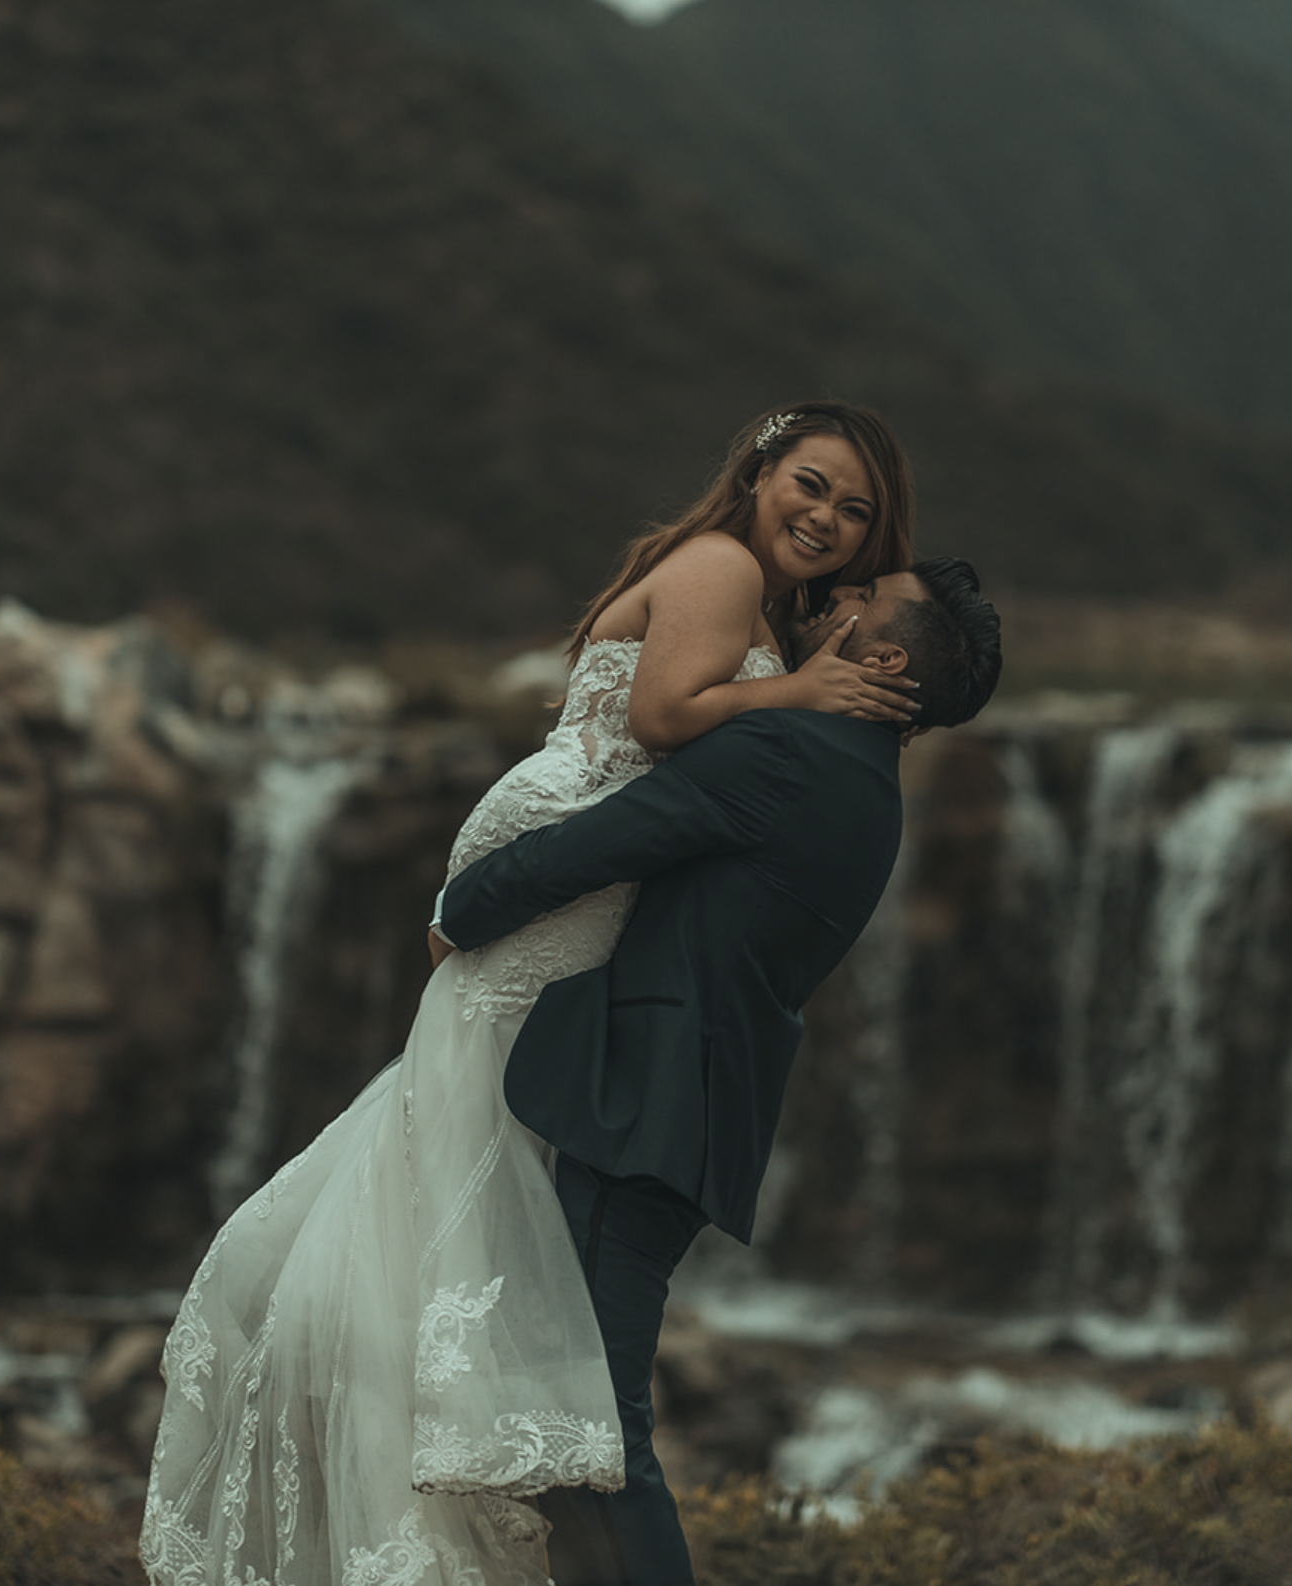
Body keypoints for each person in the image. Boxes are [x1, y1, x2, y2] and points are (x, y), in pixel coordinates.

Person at [140, 403, 919, 1586]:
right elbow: (661, 722)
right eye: (809, 484)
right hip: (555, 881)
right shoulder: (719, 567)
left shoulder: (755, 604)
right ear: (760, 472)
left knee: (440, 1202)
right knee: (457, 1198)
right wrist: (800, 694)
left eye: (853, 510)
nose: (823, 516)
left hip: (570, 892)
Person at [434, 557, 1004, 1584]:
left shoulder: (790, 749)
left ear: (876, 655)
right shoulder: (866, 782)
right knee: (583, 1418)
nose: (833, 592)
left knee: (593, 1429)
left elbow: (599, 844)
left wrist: (458, 913)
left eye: (858, 596)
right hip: (689, 1109)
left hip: (644, 1106)